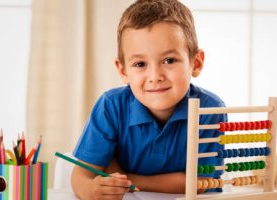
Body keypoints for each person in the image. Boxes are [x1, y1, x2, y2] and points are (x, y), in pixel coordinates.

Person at [71, 0, 227, 199]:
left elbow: (200, 183)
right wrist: (91, 190)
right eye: (140, 64)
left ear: (195, 63)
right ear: (123, 70)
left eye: (169, 60)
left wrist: (128, 179)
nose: (155, 76)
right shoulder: (111, 106)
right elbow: (82, 176)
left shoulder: (210, 109)